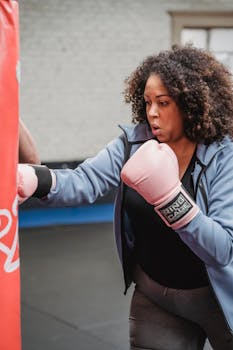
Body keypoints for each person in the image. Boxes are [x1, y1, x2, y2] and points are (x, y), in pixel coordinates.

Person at [17, 45, 233, 350]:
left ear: (191, 103)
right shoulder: (134, 142)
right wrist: (31, 178)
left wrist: (172, 199)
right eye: (147, 102)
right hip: (156, 297)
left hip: (220, 300)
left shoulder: (225, 155)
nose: (152, 113)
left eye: (163, 102)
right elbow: (84, 181)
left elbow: (222, 250)